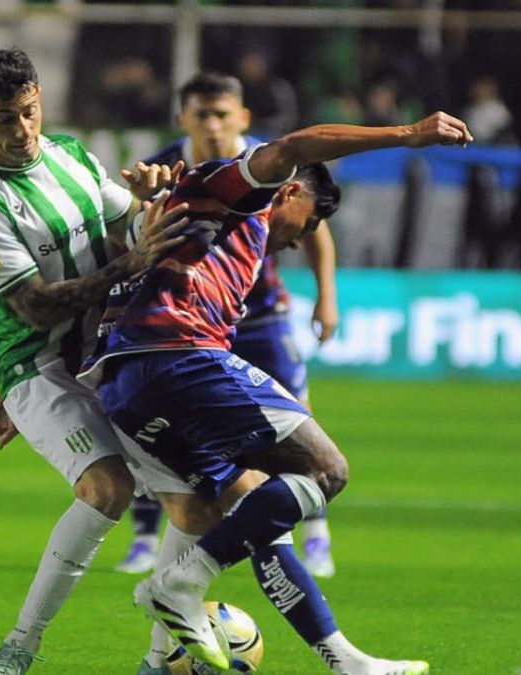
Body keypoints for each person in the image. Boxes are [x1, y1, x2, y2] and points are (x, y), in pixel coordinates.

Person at [82, 111, 473, 673]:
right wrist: (407, 135)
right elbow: (294, 146)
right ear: (288, 190)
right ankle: (181, 583)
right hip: (174, 355)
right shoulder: (244, 191)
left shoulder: (204, 229)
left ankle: (341, 661)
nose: (296, 241)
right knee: (326, 470)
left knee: (254, 512)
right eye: (306, 224)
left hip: (128, 389)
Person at [0, 47, 193, 675]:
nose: (23, 129)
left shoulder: (71, 156)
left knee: (194, 496)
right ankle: (18, 648)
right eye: (4, 118)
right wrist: (131, 260)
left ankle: (161, 657)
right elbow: (35, 307)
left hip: (109, 353)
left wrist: (151, 201)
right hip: (40, 367)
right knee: (108, 489)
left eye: (29, 111)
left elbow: (130, 226)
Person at [116, 71, 341, 580]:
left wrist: (327, 297)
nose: (213, 126)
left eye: (222, 115)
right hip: (189, 321)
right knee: (161, 423)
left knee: (296, 415)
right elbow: (137, 235)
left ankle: (317, 535)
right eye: (202, 115)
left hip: (261, 314)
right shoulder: (166, 166)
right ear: (183, 119)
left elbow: (314, 232)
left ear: (243, 117)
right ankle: (145, 537)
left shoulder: (270, 164)